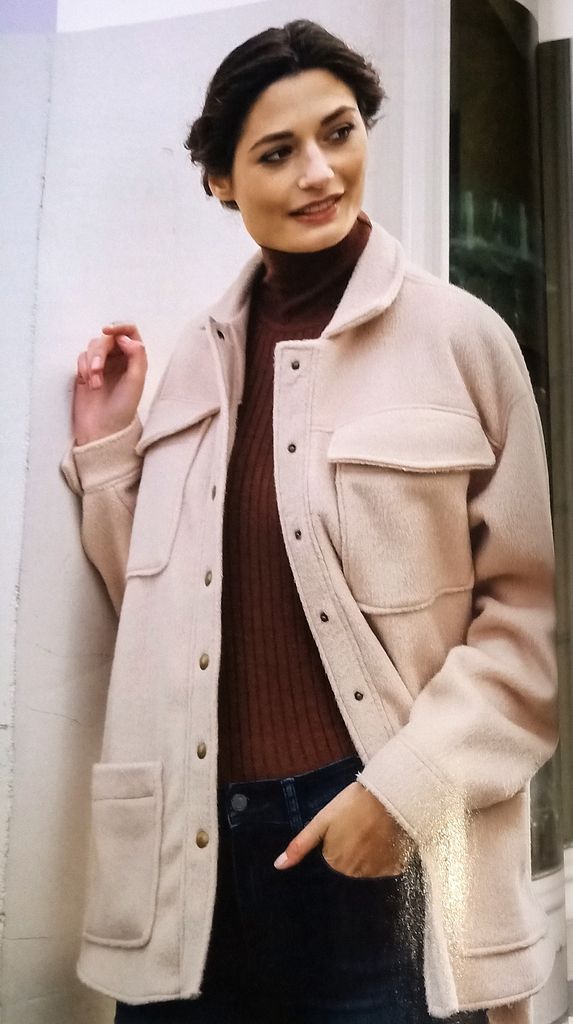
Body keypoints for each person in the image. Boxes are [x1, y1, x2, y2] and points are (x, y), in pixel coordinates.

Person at [61, 19, 557, 1024]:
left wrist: (402, 795)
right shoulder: (198, 362)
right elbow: (158, 602)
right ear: (221, 181)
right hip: (196, 858)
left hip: (382, 841)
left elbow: (529, 628)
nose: (319, 173)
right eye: (277, 152)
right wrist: (111, 452)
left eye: (338, 132)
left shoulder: (464, 340)